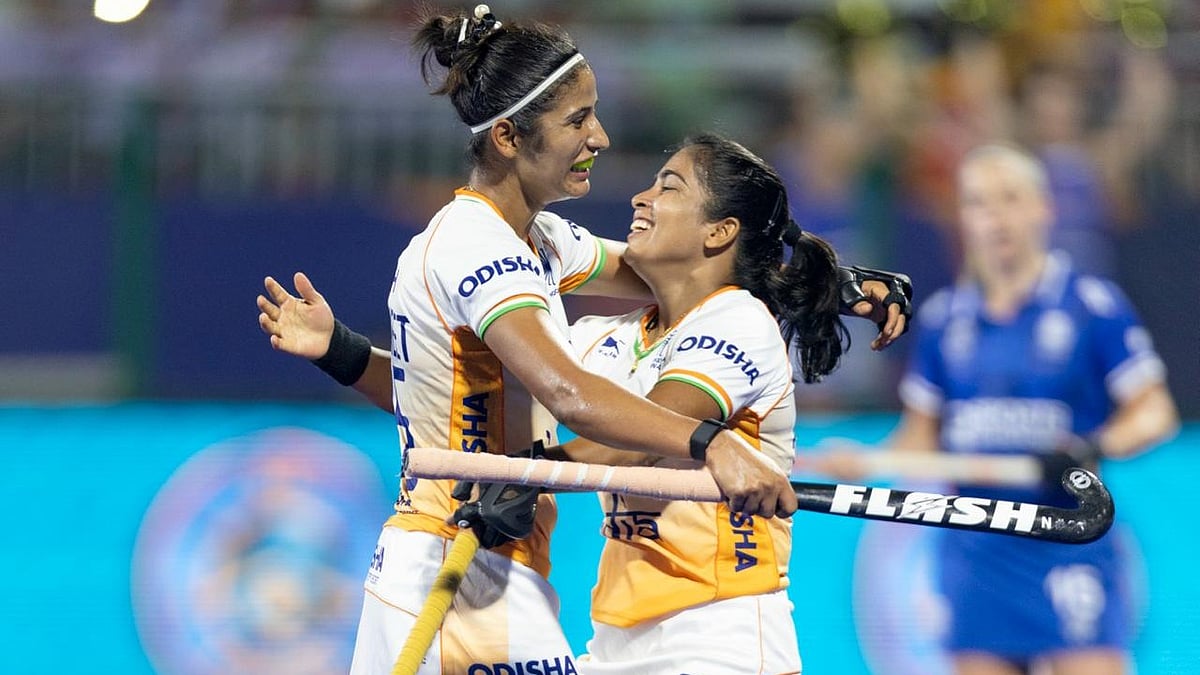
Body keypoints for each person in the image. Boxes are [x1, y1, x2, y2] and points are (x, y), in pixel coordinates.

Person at [256, 6, 909, 673]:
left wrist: (831, 284)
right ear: (509, 137)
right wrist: (713, 442)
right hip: (459, 562)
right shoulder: (478, 247)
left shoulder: (537, 242)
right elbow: (569, 394)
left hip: (483, 562)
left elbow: (668, 271)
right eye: (577, 120)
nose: (599, 136)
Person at [812, 143, 1179, 675]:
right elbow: (921, 439)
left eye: (1010, 199)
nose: (995, 218)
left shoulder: (1090, 307)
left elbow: (1155, 412)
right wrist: (867, 463)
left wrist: (1091, 449)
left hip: (1066, 536)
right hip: (977, 549)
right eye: (979, 204)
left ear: (1042, 209)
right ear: (963, 218)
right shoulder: (943, 322)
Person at [557, 133, 846, 673]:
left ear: (719, 231)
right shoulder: (604, 336)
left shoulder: (739, 320)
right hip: (616, 640)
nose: (640, 198)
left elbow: (643, 438)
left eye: (668, 187)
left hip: (718, 636)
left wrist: (528, 472)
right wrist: (349, 355)